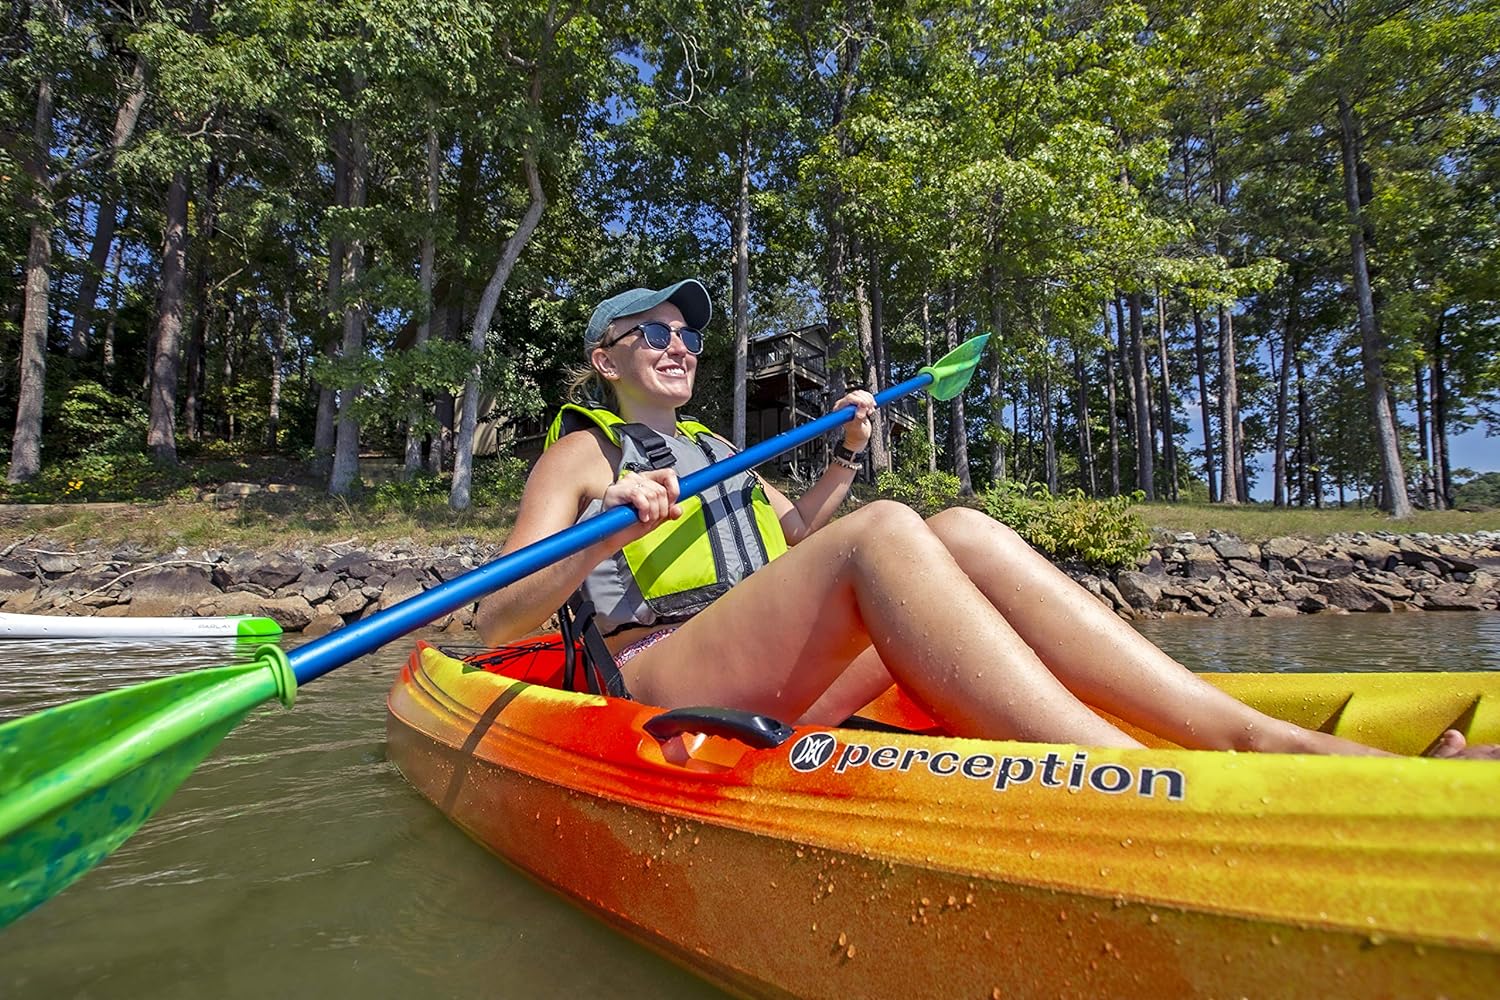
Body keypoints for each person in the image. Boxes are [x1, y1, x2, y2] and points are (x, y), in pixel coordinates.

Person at [475, 278, 1495, 759]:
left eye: (687, 335)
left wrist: (845, 456)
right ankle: (1137, 773)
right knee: (885, 534)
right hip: (659, 673)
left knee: (954, 527)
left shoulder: (712, 449)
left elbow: (795, 541)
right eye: (650, 333)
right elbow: (496, 619)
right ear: (604, 360)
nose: (678, 344)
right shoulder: (582, 455)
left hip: (762, 658)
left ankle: (1242, 733)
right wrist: (610, 523)